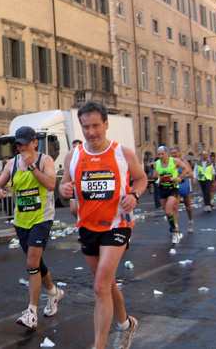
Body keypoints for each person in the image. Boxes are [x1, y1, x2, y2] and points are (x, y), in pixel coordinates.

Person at [59, 101, 147, 349]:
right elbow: (65, 187)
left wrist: (134, 196)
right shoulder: (73, 156)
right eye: (86, 127)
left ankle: (98, 346)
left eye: (96, 125)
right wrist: (64, 189)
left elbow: (141, 179)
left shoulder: (123, 153)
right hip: (88, 226)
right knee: (106, 285)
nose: (91, 132)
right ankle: (126, 324)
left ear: (106, 124)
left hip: (117, 225)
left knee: (99, 287)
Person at [0, 126, 64, 329]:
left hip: (41, 218)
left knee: (32, 262)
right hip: (21, 221)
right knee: (36, 262)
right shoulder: (12, 164)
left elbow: (51, 185)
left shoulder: (45, 160)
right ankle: (54, 293)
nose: (23, 147)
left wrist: (33, 167)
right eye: (19, 144)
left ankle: (31, 312)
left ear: (35, 143)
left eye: (26, 143)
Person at [152, 146, 192, 244]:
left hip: (173, 188)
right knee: (164, 208)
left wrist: (180, 177)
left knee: (169, 210)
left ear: (167, 154)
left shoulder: (174, 161)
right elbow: (154, 176)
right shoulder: (156, 164)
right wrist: (155, 176)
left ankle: (175, 231)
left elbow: (186, 168)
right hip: (162, 188)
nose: (161, 156)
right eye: (159, 154)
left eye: (162, 154)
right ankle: (173, 226)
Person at [170, 146, 195, 233]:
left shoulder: (184, 162)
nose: (173, 155)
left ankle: (191, 222)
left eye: (175, 153)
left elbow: (192, 174)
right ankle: (176, 227)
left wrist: (182, 176)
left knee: (187, 206)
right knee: (175, 206)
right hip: (176, 186)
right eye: (172, 153)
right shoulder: (171, 163)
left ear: (179, 153)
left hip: (185, 185)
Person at [69, 139, 82, 219]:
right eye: (73, 147)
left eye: (77, 147)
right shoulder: (71, 158)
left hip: (83, 184)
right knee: (73, 209)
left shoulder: (84, 155)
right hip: (74, 184)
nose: (75, 149)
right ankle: (79, 220)